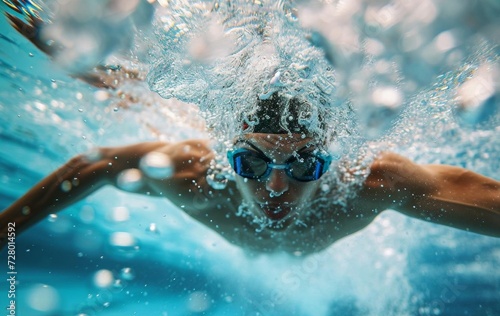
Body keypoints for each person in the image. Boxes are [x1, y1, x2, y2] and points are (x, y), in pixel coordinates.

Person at [1, 90, 499, 254]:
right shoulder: (190, 174)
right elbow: (92, 165)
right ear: (227, 158)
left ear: (329, 161)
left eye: (306, 164)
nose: (275, 185)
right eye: (252, 162)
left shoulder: (371, 182)